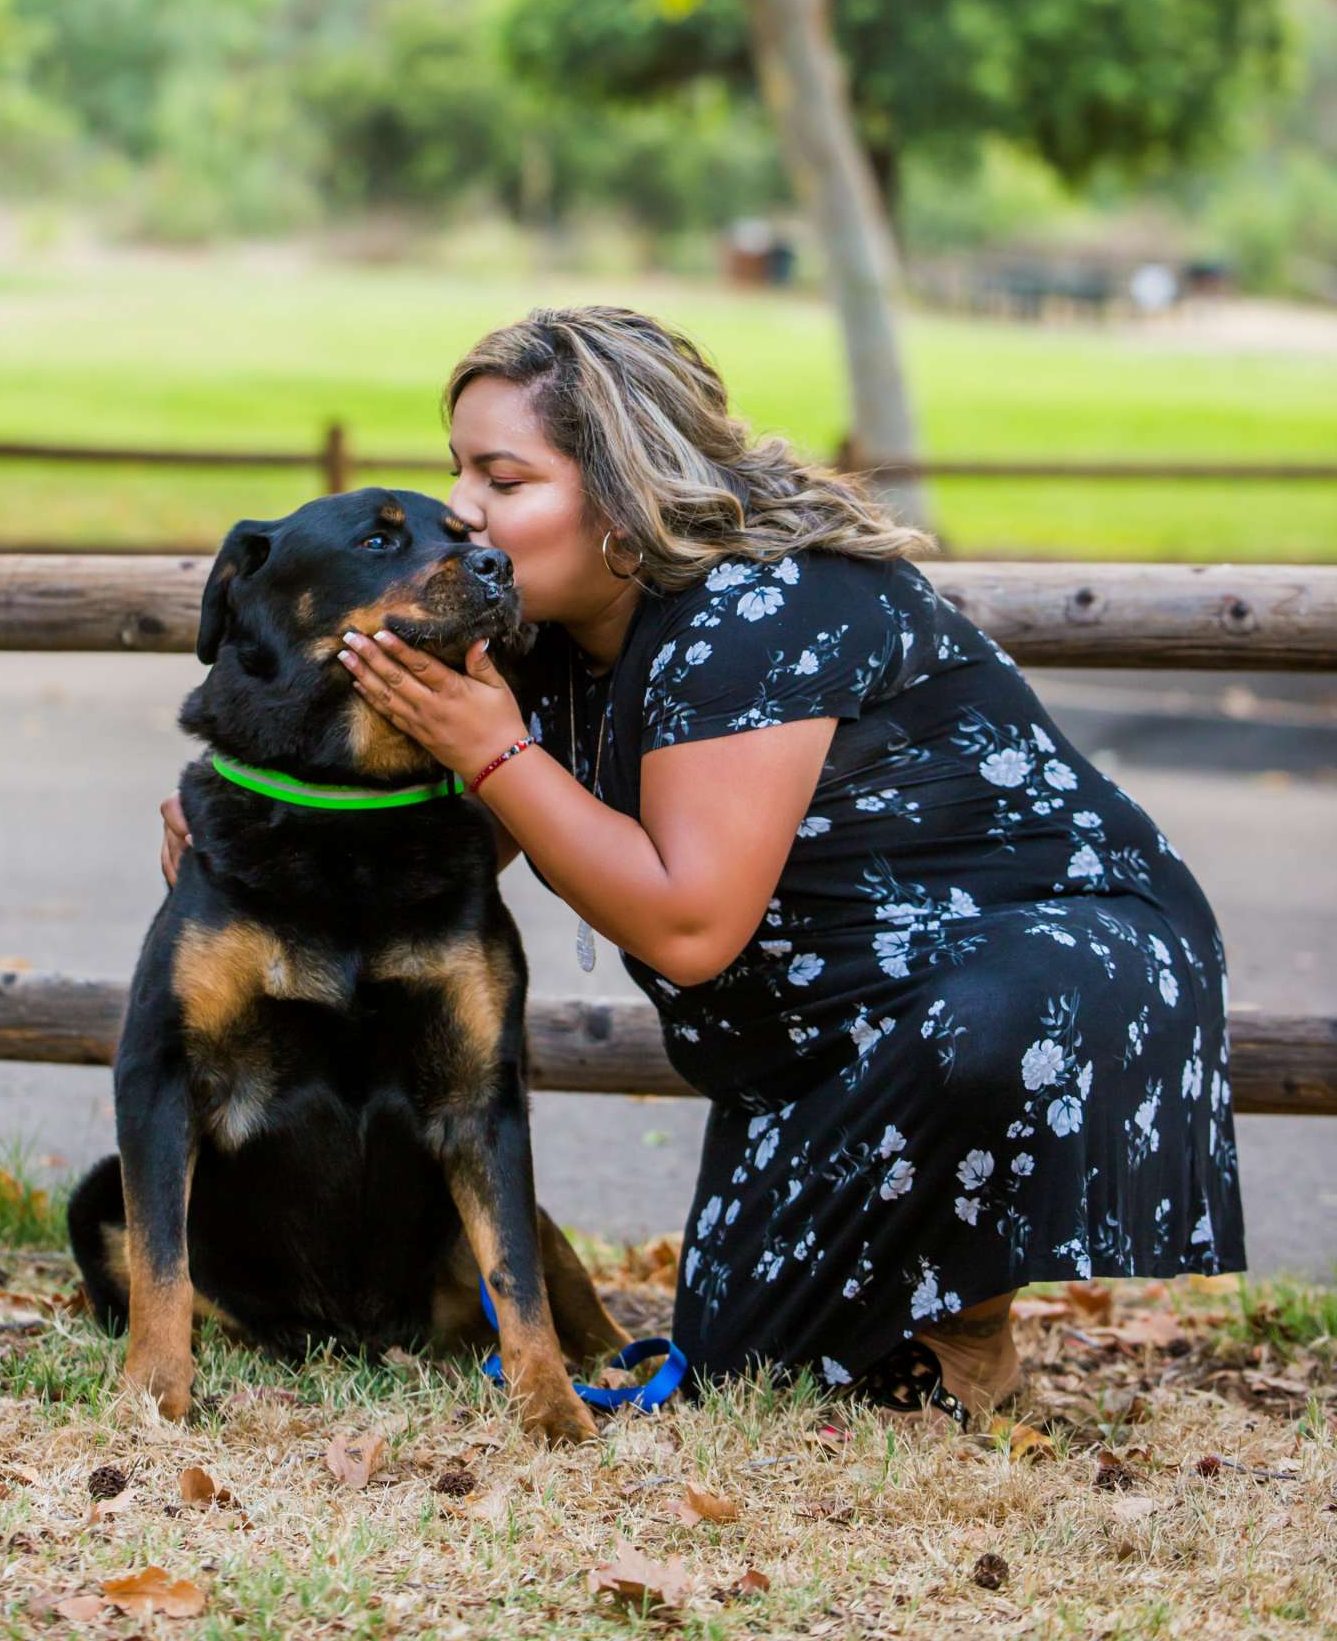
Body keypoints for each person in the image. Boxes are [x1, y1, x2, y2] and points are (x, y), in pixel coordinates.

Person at [159, 304, 1245, 1420]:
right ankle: (900, 1316)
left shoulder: (766, 608)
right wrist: (253, 834)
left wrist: (491, 749)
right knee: (745, 1371)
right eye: (458, 476)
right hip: (826, 1033)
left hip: (1038, 970)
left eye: (504, 480)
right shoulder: (541, 639)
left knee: (964, 1046)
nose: (464, 513)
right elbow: (468, 840)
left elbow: (687, 927)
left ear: (625, 497)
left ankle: (963, 1321)